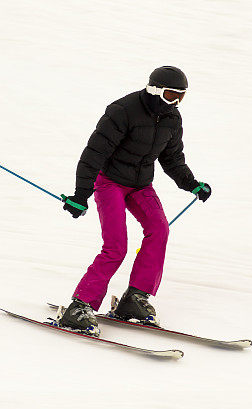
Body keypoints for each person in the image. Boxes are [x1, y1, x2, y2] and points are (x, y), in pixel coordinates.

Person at [59, 66, 211, 335]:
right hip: (110, 183)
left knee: (160, 230)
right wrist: (80, 196)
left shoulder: (172, 120)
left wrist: (192, 184)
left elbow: (172, 159)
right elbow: (93, 155)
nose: (174, 102)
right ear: (154, 89)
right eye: (170, 95)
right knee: (116, 247)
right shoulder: (123, 111)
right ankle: (80, 306)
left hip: (141, 185)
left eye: (180, 97)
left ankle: (135, 298)